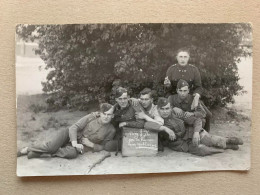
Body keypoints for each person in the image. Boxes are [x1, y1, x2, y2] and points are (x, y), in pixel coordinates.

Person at [145, 97, 243, 156]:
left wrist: (196, 132)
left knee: (209, 140)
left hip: (191, 134)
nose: (165, 111)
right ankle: (224, 148)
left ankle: (227, 141)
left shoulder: (176, 113)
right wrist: (165, 129)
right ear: (158, 109)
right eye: (162, 109)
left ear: (170, 108)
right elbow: (147, 125)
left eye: (167, 109)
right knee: (202, 150)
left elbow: (197, 120)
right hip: (181, 144)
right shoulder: (155, 118)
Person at [17, 103, 117, 159]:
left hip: (81, 146)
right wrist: (74, 143)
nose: (106, 117)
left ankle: (43, 152)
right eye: (104, 114)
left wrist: (91, 144)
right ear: (100, 113)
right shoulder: (92, 117)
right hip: (68, 134)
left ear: (112, 116)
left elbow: (104, 146)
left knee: (72, 154)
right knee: (51, 146)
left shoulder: (111, 130)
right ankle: (27, 149)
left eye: (109, 115)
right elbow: (74, 127)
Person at [164, 48, 212, 132]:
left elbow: (199, 87)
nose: (183, 59)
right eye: (180, 57)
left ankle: (204, 134)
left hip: (190, 98)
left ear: (188, 58)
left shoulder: (193, 70)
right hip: (174, 99)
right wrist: (168, 86)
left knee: (208, 115)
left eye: (185, 57)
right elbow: (167, 91)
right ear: (177, 57)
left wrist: (196, 96)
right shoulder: (171, 69)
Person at [168, 79, 206, 146]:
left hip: (191, 124)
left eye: (185, 91)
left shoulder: (192, 99)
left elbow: (203, 113)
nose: (182, 93)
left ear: (188, 91)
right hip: (178, 125)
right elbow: (164, 110)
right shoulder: (171, 98)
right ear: (177, 90)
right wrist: (173, 108)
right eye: (180, 91)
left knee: (201, 121)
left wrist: (193, 113)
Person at [112, 87, 145, 152]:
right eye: (120, 99)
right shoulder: (115, 108)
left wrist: (126, 123)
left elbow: (141, 124)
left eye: (125, 98)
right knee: (109, 146)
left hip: (135, 135)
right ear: (116, 99)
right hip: (121, 134)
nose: (123, 101)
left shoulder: (135, 105)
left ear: (128, 97)